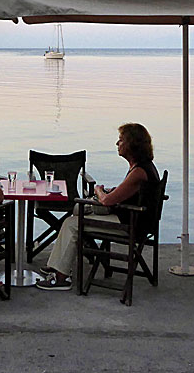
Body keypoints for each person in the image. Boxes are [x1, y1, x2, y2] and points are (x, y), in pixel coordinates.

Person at [35, 123, 159, 291]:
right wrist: (113, 191)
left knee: (71, 223)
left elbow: (107, 201)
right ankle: (59, 263)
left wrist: (99, 191)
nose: (117, 144)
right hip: (133, 218)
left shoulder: (139, 172)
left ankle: (61, 278)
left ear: (132, 144)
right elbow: (129, 194)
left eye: (121, 140)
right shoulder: (143, 167)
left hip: (131, 225)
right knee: (78, 211)